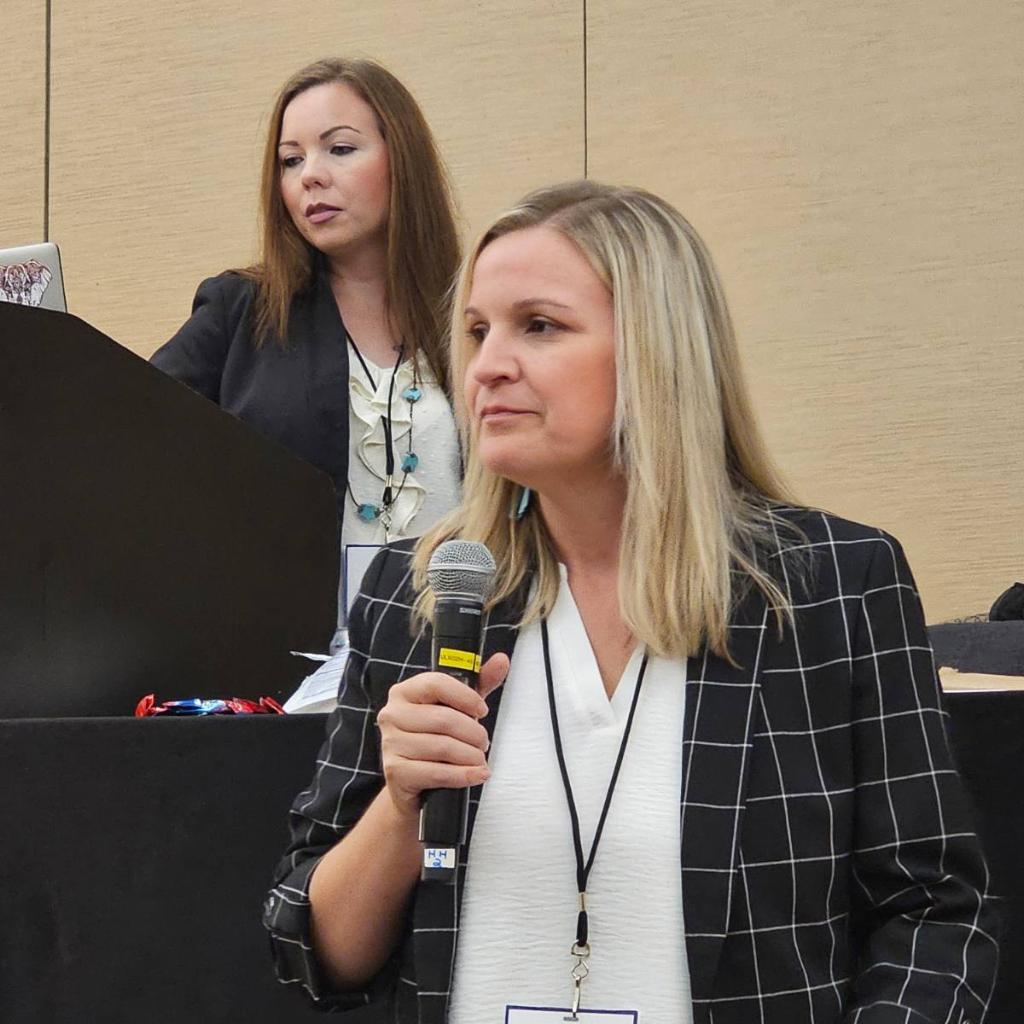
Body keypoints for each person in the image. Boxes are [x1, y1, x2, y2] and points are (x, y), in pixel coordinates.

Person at [264, 181, 999, 1023]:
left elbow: (933, 914)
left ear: (657, 350)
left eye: (539, 326)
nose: (487, 365)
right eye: (476, 331)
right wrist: (400, 806)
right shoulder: (421, 591)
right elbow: (315, 954)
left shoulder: (832, 584)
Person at [151, 58, 463, 642]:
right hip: (283, 663)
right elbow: (132, 434)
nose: (309, 177)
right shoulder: (240, 310)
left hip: (450, 653)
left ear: (403, 158)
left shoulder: (470, 314)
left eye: (339, 149)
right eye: (290, 161)